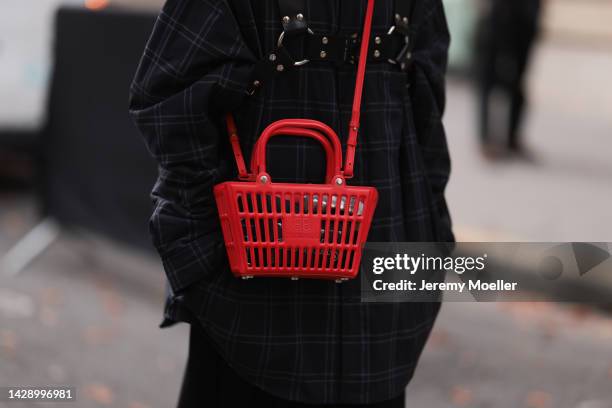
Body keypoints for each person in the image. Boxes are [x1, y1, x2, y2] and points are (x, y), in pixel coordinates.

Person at [129, 0, 453, 406]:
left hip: (376, 305)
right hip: (250, 294)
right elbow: (167, 98)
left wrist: (431, 239)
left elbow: (425, 107)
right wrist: (205, 249)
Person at [475, 0, 542, 157]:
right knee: (487, 78)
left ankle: (512, 138)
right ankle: (486, 140)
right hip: (495, 11)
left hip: (525, 13)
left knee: (518, 79)